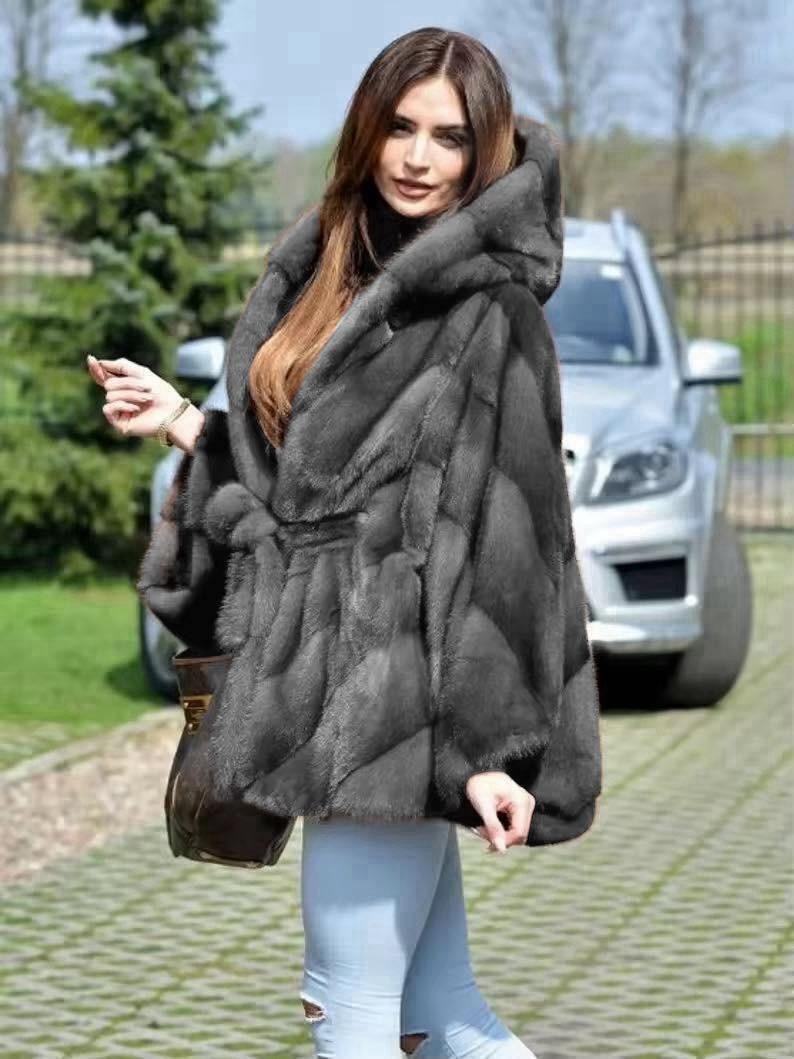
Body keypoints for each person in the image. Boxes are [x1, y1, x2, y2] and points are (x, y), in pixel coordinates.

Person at [87, 26, 602, 1059]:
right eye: (400, 128)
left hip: (397, 702)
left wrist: (487, 750)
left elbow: (512, 547)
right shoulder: (333, 273)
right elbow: (300, 492)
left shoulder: (491, 311)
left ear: (486, 151)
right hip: (331, 683)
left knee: (347, 1010)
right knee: (439, 1015)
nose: (417, 158)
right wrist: (185, 421)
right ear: (366, 131)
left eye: (449, 138)